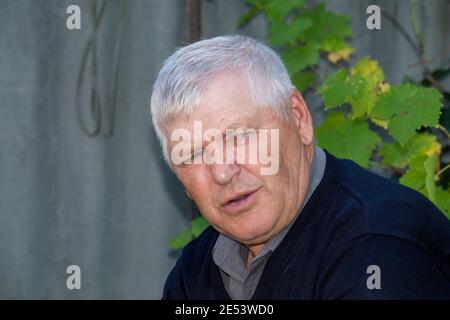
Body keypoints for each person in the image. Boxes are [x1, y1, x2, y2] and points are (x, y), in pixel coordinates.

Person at [150, 35, 450, 299]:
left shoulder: (377, 245)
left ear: (298, 117)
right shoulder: (195, 271)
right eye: (191, 155)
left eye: (239, 136)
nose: (222, 172)